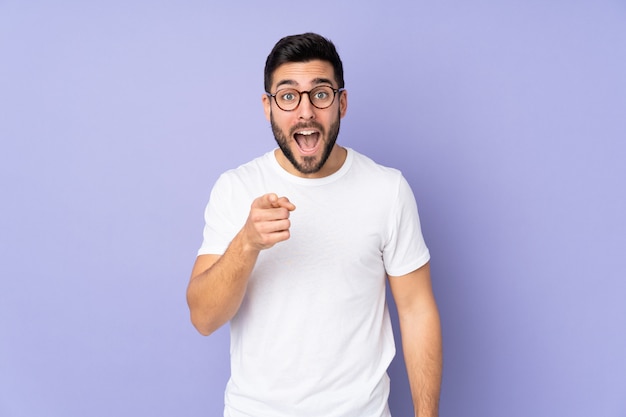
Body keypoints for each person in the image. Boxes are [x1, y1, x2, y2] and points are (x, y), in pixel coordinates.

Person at [186, 32, 442, 417]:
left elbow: (417, 311)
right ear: (268, 107)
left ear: (341, 102)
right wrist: (247, 242)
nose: (305, 112)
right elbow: (204, 318)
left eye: (320, 94)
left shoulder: (387, 190)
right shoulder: (236, 188)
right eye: (288, 96)